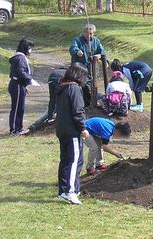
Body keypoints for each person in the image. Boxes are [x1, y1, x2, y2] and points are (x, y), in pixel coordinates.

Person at [55, 63, 90, 205]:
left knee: (65, 160)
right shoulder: (74, 88)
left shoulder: (62, 86)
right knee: (75, 160)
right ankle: (71, 191)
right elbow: (78, 110)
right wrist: (83, 128)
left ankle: (64, 190)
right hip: (72, 131)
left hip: (62, 129)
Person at [8, 38, 40, 136]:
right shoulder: (20, 58)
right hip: (17, 85)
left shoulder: (21, 57)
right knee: (17, 108)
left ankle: (19, 128)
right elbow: (21, 72)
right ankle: (14, 130)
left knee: (20, 108)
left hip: (20, 85)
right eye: (30, 48)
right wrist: (29, 80)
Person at [69, 24, 106, 107]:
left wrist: (100, 56)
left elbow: (102, 51)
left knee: (92, 86)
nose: (89, 35)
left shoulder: (96, 41)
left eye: (91, 33)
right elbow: (72, 48)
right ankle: (82, 104)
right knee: (82, 86)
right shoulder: (77, 40)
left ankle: (91, 104)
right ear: (84, 32)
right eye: (87, 33)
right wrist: (77, 51)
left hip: (92, 68)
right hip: (80, 69)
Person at [27, 67, 67, 133]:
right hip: (59, 80)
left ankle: (49, 118)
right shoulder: (69, 73)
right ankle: (55, 119)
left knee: (52, 100)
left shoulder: (57, 71)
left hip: (51, 80)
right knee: (61, 102)